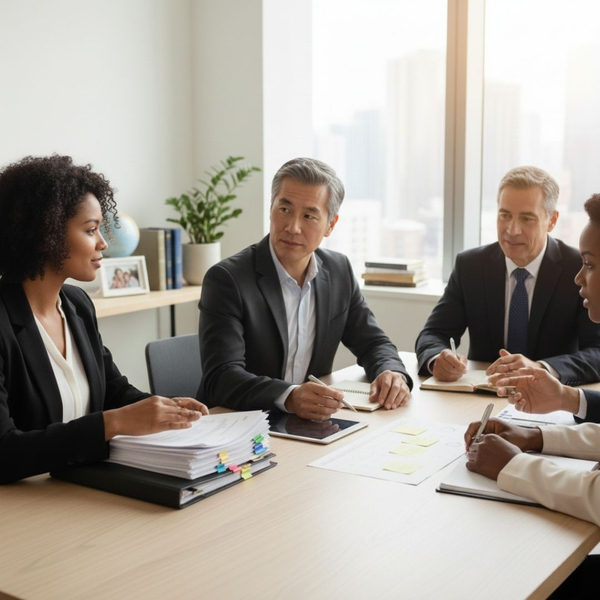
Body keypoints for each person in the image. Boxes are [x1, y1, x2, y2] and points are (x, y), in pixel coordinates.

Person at [0, 155, 208, 484]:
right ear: (46, 233)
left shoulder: (77, 306)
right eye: (91, 230)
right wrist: (112, 424)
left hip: (78, 490)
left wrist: (163, 407)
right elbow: (4, 451)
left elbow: (112, 390)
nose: (103, 243)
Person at [197, 157, 413, 420]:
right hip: (239, 423)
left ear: (330, 225)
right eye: (284, 210)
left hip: (303, 423)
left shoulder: (338, 270)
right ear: (271, 208)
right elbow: (221, 378)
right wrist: (290, 396)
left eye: (309, 215)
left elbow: (373, 342)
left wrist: (390, 372)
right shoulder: (227, 279)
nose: (292, 227)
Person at [465, 193, 600, 598]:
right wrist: (538, 436)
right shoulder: (472, 264)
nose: (579, 277)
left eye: (590, 265)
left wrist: (515, 466)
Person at [415, 166, 600, 389]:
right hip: (483, 397)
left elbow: (597, 352)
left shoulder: (579, 268)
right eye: (505, 215)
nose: (512, 230)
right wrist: (437, 359)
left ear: (552, 220)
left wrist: (541, 368)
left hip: (553, 400)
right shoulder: (471, 266)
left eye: (527, 218)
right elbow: (433, 333)